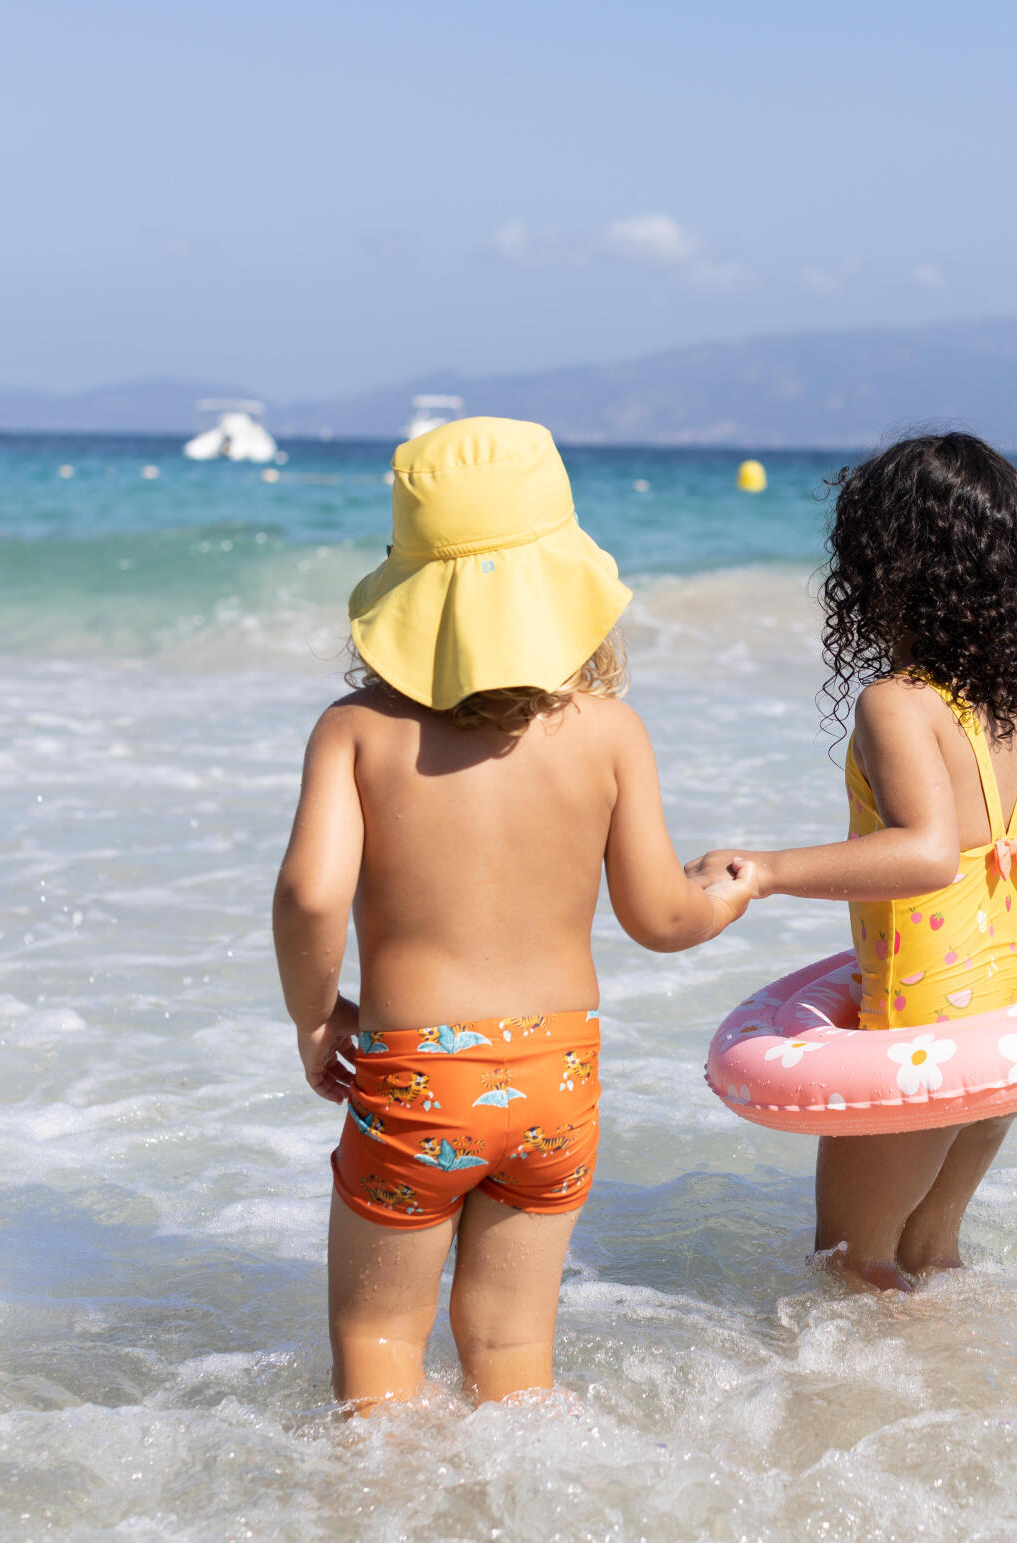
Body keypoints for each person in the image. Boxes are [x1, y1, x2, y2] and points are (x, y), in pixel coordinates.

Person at [273, 418, 752, 1410]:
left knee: (377, 1338)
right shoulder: (612, 734)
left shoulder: (356, 731)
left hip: (419, 1076)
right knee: (511, 1351)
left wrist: (318, 1016)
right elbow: (662, 918)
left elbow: (310, 892)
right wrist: (731, 887)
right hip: (558, 1078)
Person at [688, 433, 1017, 1291]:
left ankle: (859, 1418)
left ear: (878, 569)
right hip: (1005, 1013)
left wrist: (765, 869)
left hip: (922, 1024)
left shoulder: (895, 703)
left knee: (851, 1266)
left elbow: (922, 850)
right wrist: (1016, 893)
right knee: (931, 1256)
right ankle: (947, 1405)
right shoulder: (1003, 707)